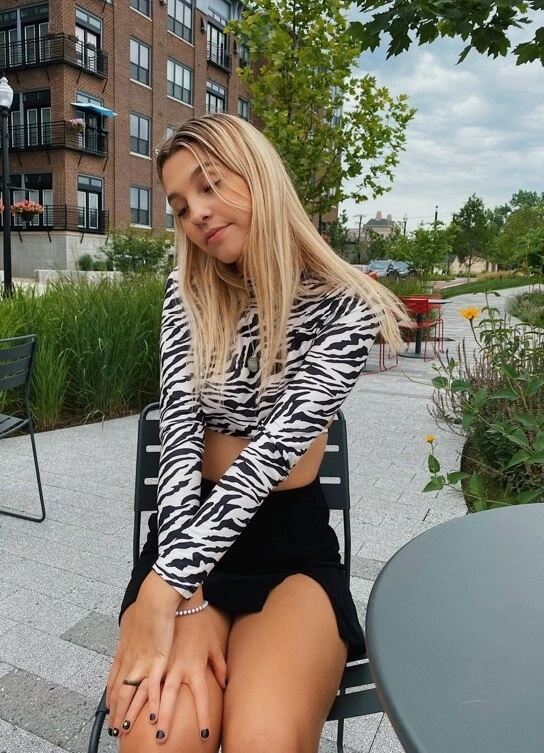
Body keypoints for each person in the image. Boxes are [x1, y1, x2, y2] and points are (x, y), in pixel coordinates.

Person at [106, 114, 406, 752]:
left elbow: (275, 460)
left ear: (259, 176)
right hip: (183, 537)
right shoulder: (186, 292)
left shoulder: (347, 308)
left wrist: (164, 588)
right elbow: (180, 441)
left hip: (289, 552)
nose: (196, 214)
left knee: (264, 739)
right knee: (162, 737)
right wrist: (180, 592)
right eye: (179, 206)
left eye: (210, 184)